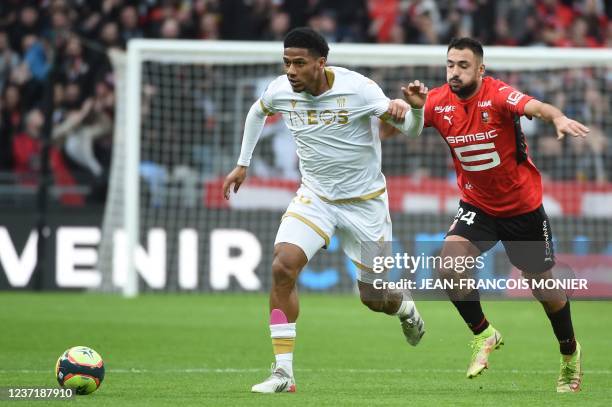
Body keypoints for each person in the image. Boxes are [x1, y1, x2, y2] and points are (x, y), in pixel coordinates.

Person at [222, 27, 428, 393]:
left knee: (374, 297)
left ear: (321, 63)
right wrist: (243, 163)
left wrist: (414, 108)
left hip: (366, 206)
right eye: (286, 63)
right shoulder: (280, 90)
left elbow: (410, 132)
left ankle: (405, 309)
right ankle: (284, 374)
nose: (291, 71)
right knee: (282, 267)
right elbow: (257, 112)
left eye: (299, 63)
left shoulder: (360, 89)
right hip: (315, 198)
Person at [383, 37, 587, 393]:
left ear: (480, 69)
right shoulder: (436, 101)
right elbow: (402, 122)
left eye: (463, 66)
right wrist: (403, 108)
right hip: (478, 206)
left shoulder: (498, 95)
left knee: (543, 285)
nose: (455, 72)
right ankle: (484, 334)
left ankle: (570, 353)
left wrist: (558, 117)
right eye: (450, 64)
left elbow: (536, 107)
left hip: (522, 208)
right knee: (448, 266)